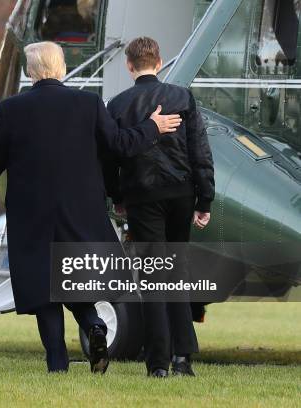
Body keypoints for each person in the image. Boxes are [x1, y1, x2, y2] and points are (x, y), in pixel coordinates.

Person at [0, 41, 182, 373]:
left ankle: (57, 361)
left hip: (31, 213)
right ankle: (94, 323)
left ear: (30, 72)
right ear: (62, 68)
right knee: (75, 277)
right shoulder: (88, 103)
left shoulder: (10, 109)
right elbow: (120, 145)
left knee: (44, 288)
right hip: (80, 208)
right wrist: (152, 127)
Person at [105, 37, 215, 377]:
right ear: (160, 61)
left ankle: (158, 363)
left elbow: (111, 158)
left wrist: (118, 197)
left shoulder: (118, 105)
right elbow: (200, 151)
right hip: (181, 194)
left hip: (141, 197)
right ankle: (183, 358)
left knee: (153, 276)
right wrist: (204, 198)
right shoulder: (182, 97)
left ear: (129, 65)